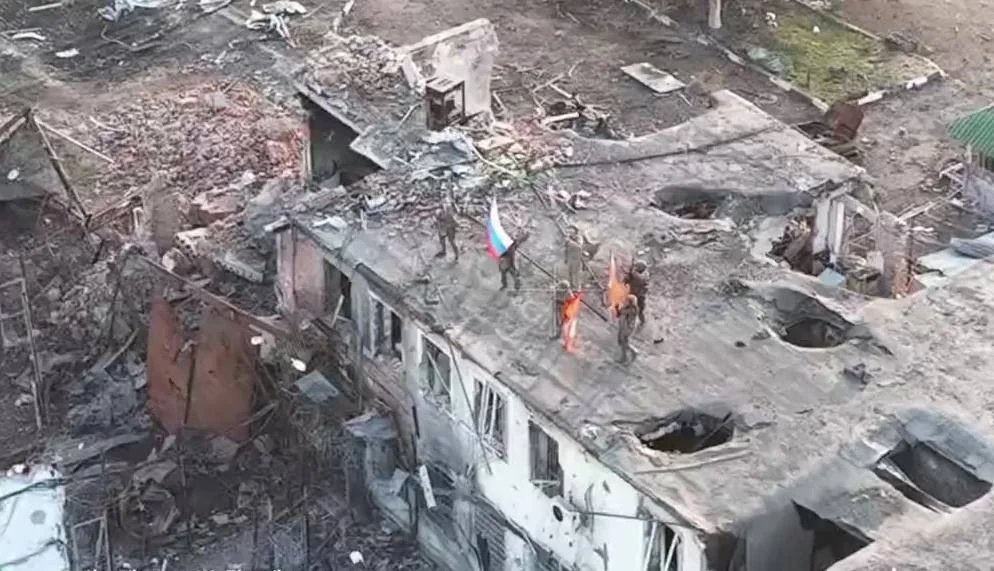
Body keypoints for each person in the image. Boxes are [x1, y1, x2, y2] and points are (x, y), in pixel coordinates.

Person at [624, 259, 648, 326]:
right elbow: (627, 279)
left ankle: (642, 322)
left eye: (637, 267)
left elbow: (638, 278)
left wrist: (630, 273)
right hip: (633, 293)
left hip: (639, 295)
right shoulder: (636, 274)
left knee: (640, 310)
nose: (636, 268)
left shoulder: (642, 276)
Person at [618, 294, 640, 363]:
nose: (624, 301)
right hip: (625, 326)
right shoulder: (629, 308)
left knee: (624, 342)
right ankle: (624, 357)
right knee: (622, 341)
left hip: (628, 327)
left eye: (626, 300)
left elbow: (622, 311)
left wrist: (621, 307)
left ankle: (634, 351)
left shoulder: (632, 309)